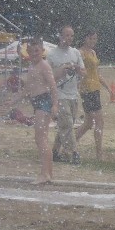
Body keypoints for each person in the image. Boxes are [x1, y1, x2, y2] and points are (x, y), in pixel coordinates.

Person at [5, 38, 59, 184]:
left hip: (44, 102)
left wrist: (55, 105)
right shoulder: (31, 67)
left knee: (40, 139)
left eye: (37, 50)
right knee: (42, 138)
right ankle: (48, 174)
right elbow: (27, 89)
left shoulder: (44, 66)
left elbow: (53, 86)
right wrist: (13, 100)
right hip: (38, 103)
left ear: (42, 51)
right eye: (31, 51)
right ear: (27, 52)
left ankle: (44, 174)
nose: (34, 53)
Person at [48, 25, 86, 165]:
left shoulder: (75, 53)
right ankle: (73, 153)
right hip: (59, 94)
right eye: (66, 35)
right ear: (60, 36)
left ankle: (54, 152)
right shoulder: (52, 55)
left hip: (73, 94)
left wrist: (76, 68)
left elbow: (83, 72)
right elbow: (49, 77)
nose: (69, 38)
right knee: (68, 124)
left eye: (71, 36)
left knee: (65, 125)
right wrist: (62, 69)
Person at [75, 31, 110, 161]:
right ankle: (99, 154)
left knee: (89, 123)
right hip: (87, 89)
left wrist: (107, 87)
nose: (93, 41)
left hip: (95, 88)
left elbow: (97, 73)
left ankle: (70, 143)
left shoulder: (93, 53)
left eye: (95, 39)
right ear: (85, 38)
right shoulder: (80, 53)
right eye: (91, 38)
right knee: (99, 122)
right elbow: (78, 71)